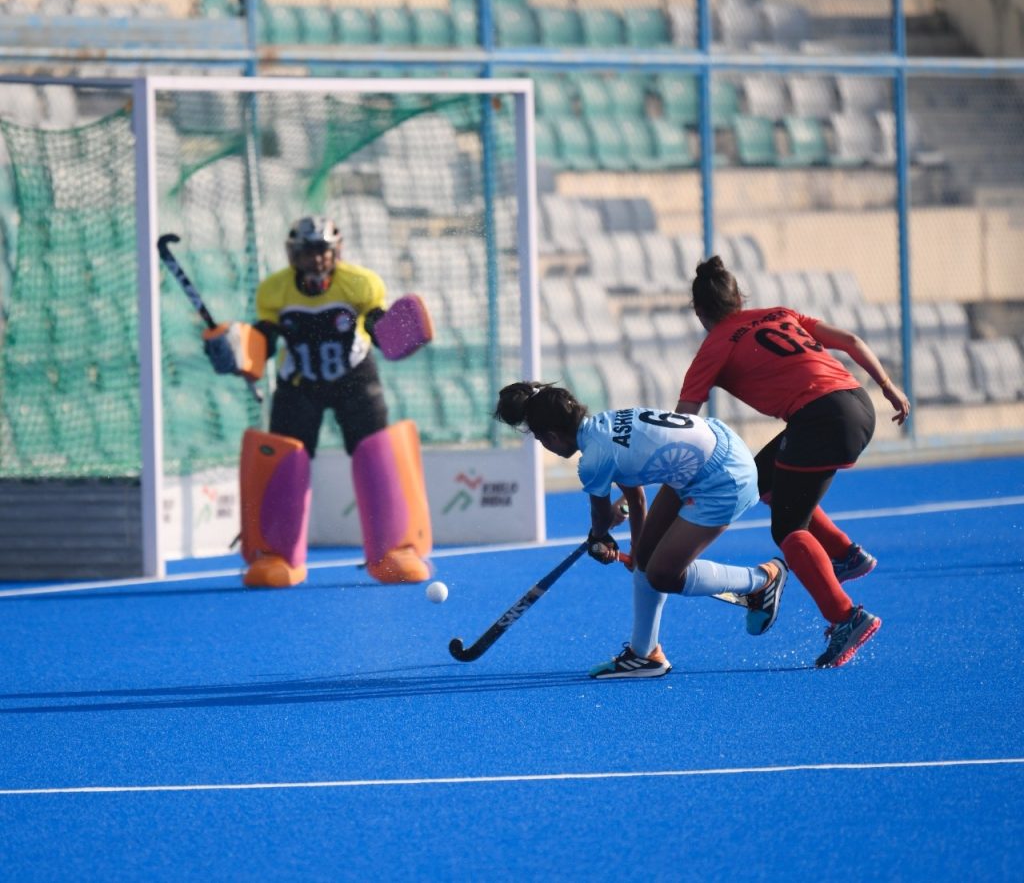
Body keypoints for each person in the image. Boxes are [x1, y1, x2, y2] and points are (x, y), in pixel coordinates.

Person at [674, 255, 911, 668]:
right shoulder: (779, 314)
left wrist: (666, 476)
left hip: (819, 419)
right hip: (857, 402)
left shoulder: (712, 348)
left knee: (787, 526)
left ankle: (846, 617)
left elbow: (684, 423)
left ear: (699, 312)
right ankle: (845, 554)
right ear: (739, 298)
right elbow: (852, 341)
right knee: (760, 480)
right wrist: (889, 387)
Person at [494, 381, 788, 680]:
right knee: (646, 562)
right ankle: (645, 654)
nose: (545, 446)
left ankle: (761, 581)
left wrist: (599, 538)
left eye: (541, 440)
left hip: (723, 477)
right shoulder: (604, 425)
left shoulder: (594, 460)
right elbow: (635, 499)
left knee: (662, 574)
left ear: (552, 436)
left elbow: (600, 515)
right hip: (717, 450)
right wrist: (636, 550)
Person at [203, 215, 434, 587]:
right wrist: (238, 349)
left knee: (378, 454)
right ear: (294, 254)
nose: (317, 260)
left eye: (323, 251)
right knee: (283, 458)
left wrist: (397, 330)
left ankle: (394, 551)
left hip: (355, 380)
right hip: (299, 384)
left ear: (336, 252)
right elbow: (265, 338)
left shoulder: (360, 282)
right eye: (308, 252)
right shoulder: (273, 291)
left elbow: (376, 326)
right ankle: (277, 556)